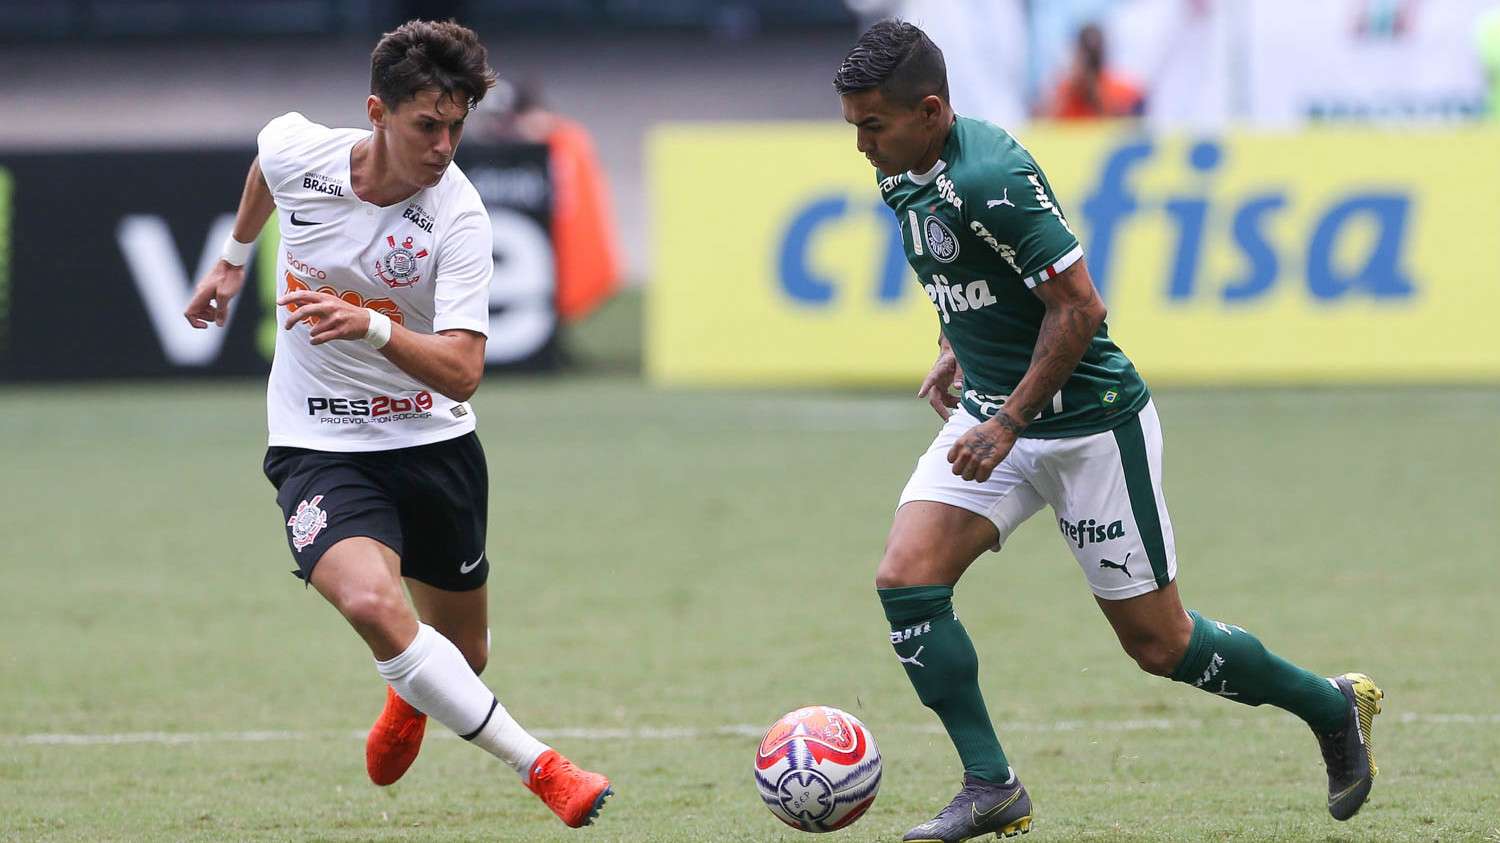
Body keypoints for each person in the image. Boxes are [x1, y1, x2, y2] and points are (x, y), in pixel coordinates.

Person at [834, 20, 1382, 842]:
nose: (862, 146)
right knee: (906, 579)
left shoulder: (993, 178)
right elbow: (966, 275)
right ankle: (992, 785)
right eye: (854, 128)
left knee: (1161, 645)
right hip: (999, 413)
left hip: (1089, 427)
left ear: (932, 110)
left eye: (872, 126)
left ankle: (1327, 704)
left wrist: (1012, 420)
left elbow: (1082, 307)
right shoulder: (904, 173)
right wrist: (953, 347)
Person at [182, 19, 611, 829]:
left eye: (457, 126)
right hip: (317, 441)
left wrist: (369, 325)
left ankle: (406, 690)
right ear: (377, 112)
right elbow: (265, 170)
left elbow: (463, 368)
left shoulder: (460, 217)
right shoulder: (299, 150)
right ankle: (544, 766)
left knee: (464, 657)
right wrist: (233, 262)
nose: (445, 145)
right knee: (378, 607)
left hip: (431, 440)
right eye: (427, 125)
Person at [1043, 22, 1144, 120]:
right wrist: (1071, 89)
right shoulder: (1066, 88)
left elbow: (1129, 125)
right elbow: (1043, 122)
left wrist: (1095, 96)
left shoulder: (1121, 90)